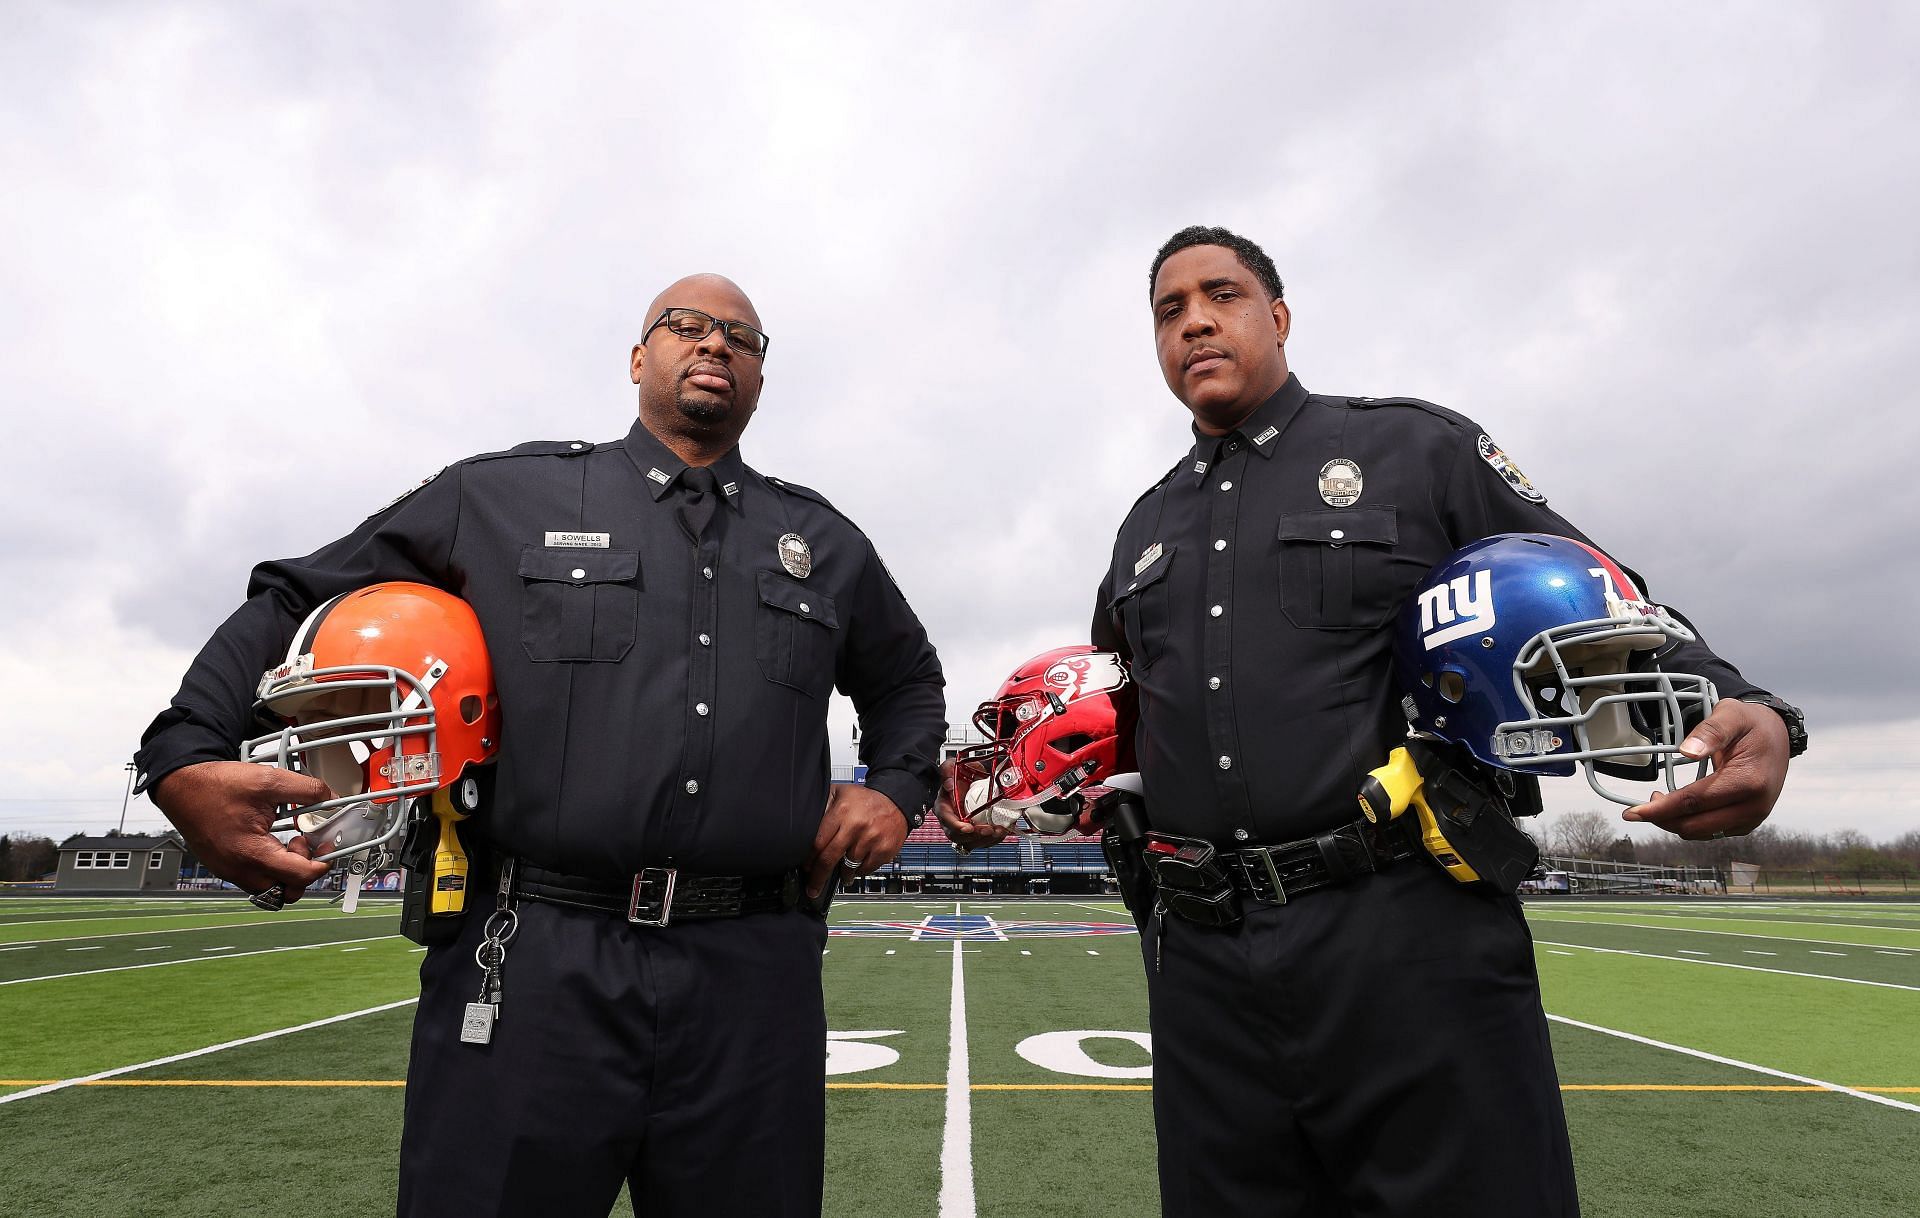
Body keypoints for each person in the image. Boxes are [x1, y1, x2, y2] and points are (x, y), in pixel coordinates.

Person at [939, 226, 1803, 1216]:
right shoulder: (1145, 527)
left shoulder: (1411, 449)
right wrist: (1008, 794)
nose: (1194, 322)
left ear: (1279, 314)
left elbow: (1600, 596)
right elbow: (1119, 711)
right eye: (1168, 310)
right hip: (1203, 966)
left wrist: (1747, 704)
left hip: (1403, 937)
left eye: (1219, 294)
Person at [136, 273, 947, 1217]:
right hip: (528, 960)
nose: (716, 344)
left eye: (743, 337)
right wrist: (183, 753)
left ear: (763, 378)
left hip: (753, 977)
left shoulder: (823, 539)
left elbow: (907, 679)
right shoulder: (500, 495)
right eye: (686, 326)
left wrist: (894, 786)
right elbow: (293, 598)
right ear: (639, 358)